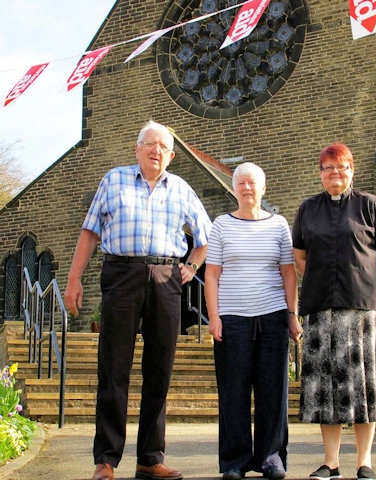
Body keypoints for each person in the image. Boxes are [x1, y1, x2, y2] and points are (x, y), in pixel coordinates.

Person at [63, 120, 212, 480]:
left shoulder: (181, 189)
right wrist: (73, 279)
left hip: (166, 278)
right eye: (149, 144)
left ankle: (149, 458)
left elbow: (206, 235)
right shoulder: (113, 180)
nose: (156, 150)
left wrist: (191, 266)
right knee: (113, 367)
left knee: (159, 369)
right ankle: (106, 460)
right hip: (121, 275)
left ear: (172, 155)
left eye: (163, 146)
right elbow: (89, 232)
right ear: (137, 148)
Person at [292, 143, 376, 480]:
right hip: (321, 312)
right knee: (327, 390)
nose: (334, 173)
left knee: (363, 388)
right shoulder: (307, 210)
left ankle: (364, 462)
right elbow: (300, 259)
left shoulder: (371, 206)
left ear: (351, 170)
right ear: (320, 172)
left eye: (341, 167)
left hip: (363, 314)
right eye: (327, 168)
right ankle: (331, 462)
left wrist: (369, 283)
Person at [205, 162, 302, 480]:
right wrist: (214, 317)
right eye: (241, 183)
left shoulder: (279, 225)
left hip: (272, 317)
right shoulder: (220, 225)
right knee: (233, 390)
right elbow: (212, 274)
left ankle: (271, 457)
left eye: (252, 183)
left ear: (263, 188)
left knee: (273, 390)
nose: (247, 188)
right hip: (232, 320)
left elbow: (288, 273)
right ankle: (234, 461)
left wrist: (292, 315)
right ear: (234, 189)